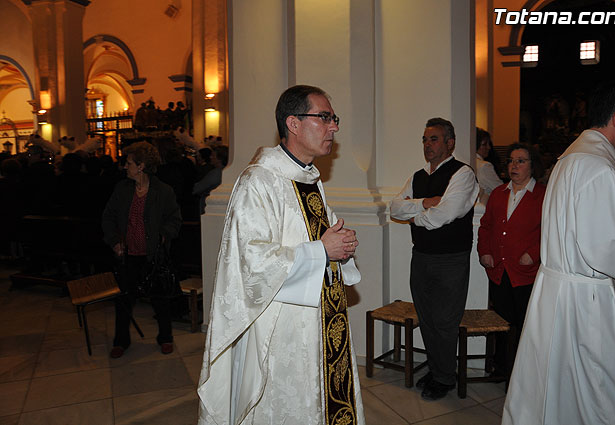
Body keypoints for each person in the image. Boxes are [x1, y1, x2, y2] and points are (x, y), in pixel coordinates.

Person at [197, 85, 364, 425]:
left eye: (334, 119)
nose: (333, 127)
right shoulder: (258, 182)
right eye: (325, 118)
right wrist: (322, 250)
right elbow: (252, 264)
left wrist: (341, 248)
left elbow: (321, 240)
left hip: (321, 325)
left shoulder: (310, 180)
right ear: (294, 123)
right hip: (281, 332)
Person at [502, 81, 615, 425]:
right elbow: (614, 250)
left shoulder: (571, 158)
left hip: (557, 292)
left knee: (551, 386)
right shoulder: (599, 167)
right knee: (601, 392)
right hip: (586, 300)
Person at [389, 118, 479, 400]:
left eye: (434, 139)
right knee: (427, 318)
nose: (428, 145)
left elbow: (447, 214)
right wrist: (426, 203)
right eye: (425, 140)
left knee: (445, 321)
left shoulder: (462, 174)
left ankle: (444, 377)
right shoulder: (418, 177)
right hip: (422, 257)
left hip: (451, 259)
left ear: (450, 143)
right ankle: (439, 370)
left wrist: (415, 214)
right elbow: (394, 207)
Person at [102, 141, 182, 358]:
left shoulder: (163, 191)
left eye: (129, 163)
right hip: (128, 255)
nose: (124, 167)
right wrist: (114, 241)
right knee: (124, 300)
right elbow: (108, 217)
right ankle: (121, 341)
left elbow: (175, 220)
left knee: (160, 300)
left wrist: (163, 236)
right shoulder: (122, 189)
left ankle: (165, 338)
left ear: (142, 166)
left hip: (153, 255)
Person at [477, 143, 545, 375]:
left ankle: (524, 373)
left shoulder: (543, 196)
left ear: (532, 166)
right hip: (499, 271)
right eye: (511, 161)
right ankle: (502, 368)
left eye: (520, 161)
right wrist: (484, 251)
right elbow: (485, 227)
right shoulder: (498, 193)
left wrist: (533, 254)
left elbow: (552, 230)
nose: (513, 166)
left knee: (526, 324)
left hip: (526, 274)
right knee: (501, 323)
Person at [476, 128, 504, 204]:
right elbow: (501, 189)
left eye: (489, 144)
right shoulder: (484, 166)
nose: (488, 147)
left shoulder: (469, 161)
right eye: (484, 144)